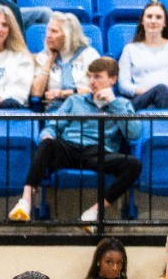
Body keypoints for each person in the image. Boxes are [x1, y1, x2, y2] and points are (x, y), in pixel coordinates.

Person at [12, 58, 142, 224]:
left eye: (98, 77)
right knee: (47, 144)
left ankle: (96, 211)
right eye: (90, 77)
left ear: (113, 79)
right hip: (69, 148)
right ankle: (25, 202)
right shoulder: (75, 100)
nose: (92, 82)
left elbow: (134, 135)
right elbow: (53, 126)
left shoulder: (123, 105)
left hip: (99, 153)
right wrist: (47, 134)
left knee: (134, 165)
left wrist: (114, 104)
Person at [120, 1, 168, 109]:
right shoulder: (130, 49)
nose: (153, 21)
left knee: (159, 99)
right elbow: (123, 85)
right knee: (160, 89)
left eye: (158, 17)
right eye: (149, 16)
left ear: (165, 23)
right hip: (141, 100)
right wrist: (145, 91)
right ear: (142, 21)